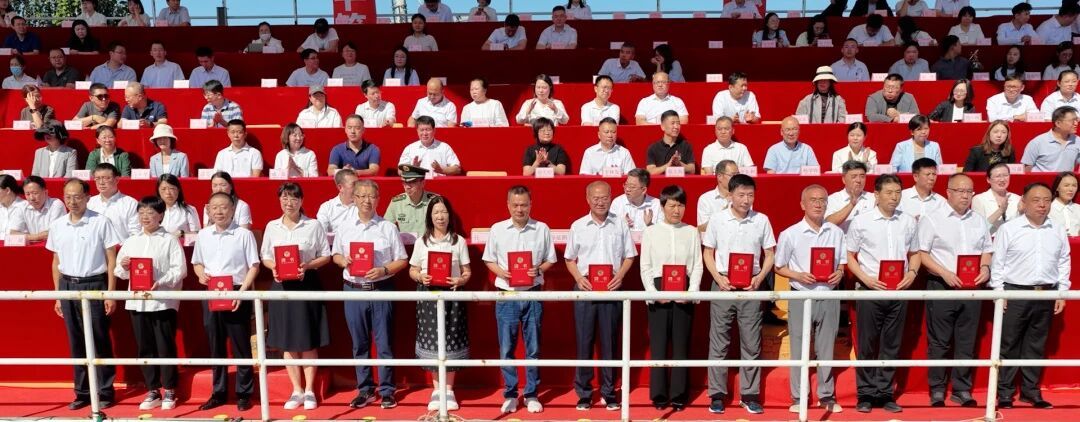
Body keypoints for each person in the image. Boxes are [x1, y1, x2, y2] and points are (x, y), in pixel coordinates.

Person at [846, 173, 920, 414]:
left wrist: (912, 273)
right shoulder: (861, 221)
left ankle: (885, 393)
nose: (894, 197)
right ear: (876, 195)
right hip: (870, 290)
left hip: (899, 291)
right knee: (867, 343)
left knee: (892, 343)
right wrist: (865, 278)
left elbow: (915, 253)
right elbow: (849, 255)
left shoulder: (908, 221)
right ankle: (865, 394)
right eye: (889, 192)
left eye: (898, 192)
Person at [992, 182, 1070, 410]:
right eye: (1036, 200)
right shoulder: (1009, 229)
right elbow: (998, 264)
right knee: (1009, 343)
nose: (1042, 205)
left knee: (1036, 344)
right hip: (1015, 292)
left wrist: (1062, 291)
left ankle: (1031, 391)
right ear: (1023, 203)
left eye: (1046, 200)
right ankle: (1004, 393)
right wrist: (999, 293)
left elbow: (1064, 261)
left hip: (1046, 292)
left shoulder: (1057, 229)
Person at [916, 173, 991, 408]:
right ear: (948, 192)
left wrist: (985, 268)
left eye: (969, 191)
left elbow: (987, 249)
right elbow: (922, 254)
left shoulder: (979, 220)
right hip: (942, 285)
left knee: (967, 340)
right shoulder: (932, 219)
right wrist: (944, 273)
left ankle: (962, 389)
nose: (965, 196)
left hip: (972, 287)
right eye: (960, 191)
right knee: (939, 341)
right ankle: (937, 389)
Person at [702, 174, 775, 415]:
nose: (746, 200)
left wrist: (759, 278)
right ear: (730, 195)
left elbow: (770, 254)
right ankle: (716, 394)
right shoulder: (717, 219)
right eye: (741, 195)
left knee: (751, 342)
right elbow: (708, 253)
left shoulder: (761, 220)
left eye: (750, 195)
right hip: (723, 284)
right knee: (719, 341)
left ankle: (750, 394)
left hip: (751, 286)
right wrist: (718, 277)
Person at [333, 180, 408, 410]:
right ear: (354, 198)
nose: (367, 200)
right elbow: (336, 254)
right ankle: (364, 389)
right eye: (362, 196)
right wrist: (343, 261)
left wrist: (384, 270)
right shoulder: (344, 227)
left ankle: (387, 391)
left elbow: (402, 260)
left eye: (372, 196)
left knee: (384, 343)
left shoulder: (388, 228)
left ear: (378, 199)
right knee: (359, 343)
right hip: (354, 290)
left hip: (381, 289)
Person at [48, 178, 120, 410]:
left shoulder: (101, 222)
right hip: (68, 286)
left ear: (87, 197)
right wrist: (58, 295)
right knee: (76, 340)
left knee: (99, 339)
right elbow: (56, 261)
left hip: (95, 284)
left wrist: (110, 293)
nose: (72, 201)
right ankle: (82, 392)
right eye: (68, 197)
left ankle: (105, 390)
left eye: (77, 196)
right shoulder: (58, 225)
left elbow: (111, 259)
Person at [774, 184, 846, 414]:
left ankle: (826, 395)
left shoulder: (836, 233)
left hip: (828, 294)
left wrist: (840, 272)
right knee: (799, 346)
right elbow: (778, 266)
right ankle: (798, 397)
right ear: (802, 204)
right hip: (801, 295)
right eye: (813, 200)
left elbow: (842, 263)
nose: (818, 204)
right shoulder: (790, 233)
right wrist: (798, 275)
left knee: (826, 347)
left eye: (823, 200)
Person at [260, 183, 332, 411]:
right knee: (287, 339)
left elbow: (326, 255)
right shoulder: (272, 226)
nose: (288, 202)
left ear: (301, 201)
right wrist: (273, 267)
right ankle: (296, 390)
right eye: (284, 198)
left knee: (307, 338)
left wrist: (307, 265)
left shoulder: (313, 225)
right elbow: (265, 256)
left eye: (293, 198)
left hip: (306, 283)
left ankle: (309, 390)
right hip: (281, 286)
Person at [565, 181, 635, 411]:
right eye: (596, 198)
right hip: (585, 288)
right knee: (584, 341)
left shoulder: (620, 224)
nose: (600, 202)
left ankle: (609, 391)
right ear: (587, 199)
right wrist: (578, 278)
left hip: (612, 288)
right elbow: (569, 258)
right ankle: (584, 393)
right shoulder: (578, 226)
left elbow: (629, 256)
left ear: (611, 197)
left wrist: (620, 276)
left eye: (604, 197)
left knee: (610, 341)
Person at [114, 195, 187, 411]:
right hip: (137, 302)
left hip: (162, 301)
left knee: (165, 346)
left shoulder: (169, 240)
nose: (145, 216)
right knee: (144, 346)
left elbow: (180, 270)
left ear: (161, 215)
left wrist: (161, 281)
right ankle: (152, 389)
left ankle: (170, 389)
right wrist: (124, 266)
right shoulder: (131, 241)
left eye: (151, 212)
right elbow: (119, 271)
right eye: (142, 212)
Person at [191, 191, 259, 411]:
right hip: (211, 293)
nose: (219, 211)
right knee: (215, 344)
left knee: (241, 345)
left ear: (232, 210)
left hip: (237, 291)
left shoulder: (243, 234)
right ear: (208, 211)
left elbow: (254, 266)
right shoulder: (203, 235)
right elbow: (197, 263)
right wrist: (200, 275)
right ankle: (218, 392)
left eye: (224, 207)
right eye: (214, 207)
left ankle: (244, 393)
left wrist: (242, 293)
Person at [640, 184, 702, 411]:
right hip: (658, 288)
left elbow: (697, 265)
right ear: (663, 206)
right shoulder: (651, 232)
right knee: (658, 344)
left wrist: (692, 292)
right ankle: (658, 394)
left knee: (681, 344)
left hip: (684, 288)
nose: (677, 210)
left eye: (681, 205)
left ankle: (679, 394)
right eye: (672, 205)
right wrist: (653, 293)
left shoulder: (691, 231)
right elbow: (645, 266)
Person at [410, 196, 471, 411]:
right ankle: (437, 389)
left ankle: (449, 390)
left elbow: (467, 272)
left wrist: (460, 280)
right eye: (436, 212)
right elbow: (413, 270)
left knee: (451, 339)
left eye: (443, 212)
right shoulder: (422, 242)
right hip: (428, 297)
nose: (440, 216)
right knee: (432, 341)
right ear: (430, 216)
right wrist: (420, 277)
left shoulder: (458, 241)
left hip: (452, 297)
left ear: (449, 215)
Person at [87, 163, 139, 240]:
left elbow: (135, 233)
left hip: (122, 246)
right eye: (97, 178)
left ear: (116, 180)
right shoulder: (89, 203)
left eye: (106, 178)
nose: (101, 182)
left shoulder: (130, 203)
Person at [1021, 106, 1080, 172]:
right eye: (1072, 121)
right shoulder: (1037, 142)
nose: (1076, 123)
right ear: (1058, 123)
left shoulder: (1078, 141)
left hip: (1066, 178)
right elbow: (1027, 167)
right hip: (1042, 178)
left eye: (1076, 120)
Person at [384, 165, 439, 235]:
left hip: (429, 241)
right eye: (405, 182)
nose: (407, 186)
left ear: (423, 183)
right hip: (405, 242)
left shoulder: (435, 201)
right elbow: (386, 227)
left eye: (412, 182)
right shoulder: (396, 203)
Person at [8, 176, 65, 241]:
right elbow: (13, 233)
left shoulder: (56, 204)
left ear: (46, 192)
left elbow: (54, 233)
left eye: (35, 193)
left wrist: (26, 237)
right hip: (32, 246)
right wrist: (36, 237)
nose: (31, 198)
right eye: (28, 194)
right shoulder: (21, 207)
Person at [826, 160, 875, 231]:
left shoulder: (873, 198)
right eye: (854, 176)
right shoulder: (833, 199)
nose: (858, 180)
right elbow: (827, 223)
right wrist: (851, 204)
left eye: (862, 176)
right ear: (844, 179)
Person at [972, 162, 1020, 234]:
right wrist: (1000, 210)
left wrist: (1022, 212)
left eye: (1005, 175)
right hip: (990, 239)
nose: (1002, 179)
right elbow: (978, 229)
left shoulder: (1017, 199)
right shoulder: (979, 199)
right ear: (988, 179)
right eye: (998, 176)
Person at [645, 110, 696, 175]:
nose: (676, 127)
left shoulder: (686, 146)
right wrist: (668, 165)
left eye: (678, 123)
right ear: (663, 126)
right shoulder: (653, 148)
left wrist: (679, 163)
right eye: (672, 123)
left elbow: (692, 170)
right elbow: (650, 172)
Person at [695, 160, 738, 227]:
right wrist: (727, 210)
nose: (737, 178)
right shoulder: (706, 199)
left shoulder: (743, 197)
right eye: (732, 175)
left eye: (738, 174)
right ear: (719, 176)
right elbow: (702, 228)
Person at [316, 170, 358, 235]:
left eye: (359, 184)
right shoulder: (327, 208)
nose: (358, 187)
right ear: (340, 187)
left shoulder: (364, 205)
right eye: (354, 184)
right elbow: (321, 234)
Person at [1050, 171, 1080, 235]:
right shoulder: (1047, 209)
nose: (1071, 189)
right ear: (1057, 188)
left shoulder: (1078, 208)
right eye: (1066, 185)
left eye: (1074, 185)